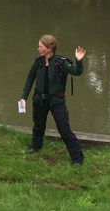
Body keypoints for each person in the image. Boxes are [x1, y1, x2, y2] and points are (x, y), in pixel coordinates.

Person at [20, 34, 86, 166]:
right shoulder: (37, 61)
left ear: (50, 48)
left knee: (64, 129)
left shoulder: (61, 62)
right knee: (38, 125)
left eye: (41, 46)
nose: (38, 48)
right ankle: (35, 146)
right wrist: (23, 97)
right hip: (39, 100)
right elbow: (29, 79)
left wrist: (78, 61)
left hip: (56, 102)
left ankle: (77, 158)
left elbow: (77, 72)